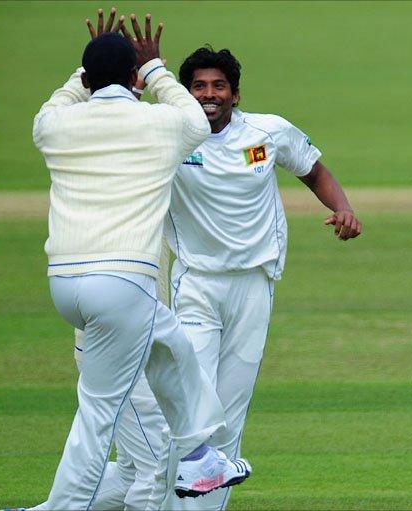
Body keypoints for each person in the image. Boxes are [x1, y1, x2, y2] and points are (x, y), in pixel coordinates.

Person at [25, 10, 250, 510]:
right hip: (123, 280)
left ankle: (198, 455)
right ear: (133, 80)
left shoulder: (54, 126)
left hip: (65, 284)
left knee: (173, 348)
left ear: (86, 80)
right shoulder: (159, 123)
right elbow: (194, 118)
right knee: (98, 417)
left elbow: (62, 98)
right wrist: (155, 69)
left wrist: (87, 72)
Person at [153, 45, 362, 510]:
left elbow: (314, 170)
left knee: (229, 417)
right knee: (191, 411)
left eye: (218, 86)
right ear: (186, 94)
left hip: (254, 285)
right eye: (199, 87)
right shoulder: (171, 136)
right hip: (196, 286)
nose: (209, 95)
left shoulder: (267, 133)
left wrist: (343, 209)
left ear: (235, 93)